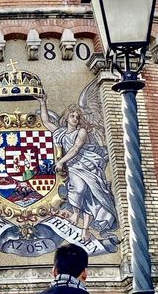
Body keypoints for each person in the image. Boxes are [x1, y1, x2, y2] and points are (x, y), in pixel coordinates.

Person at [37, 96, 117, 241]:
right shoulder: (61, 133)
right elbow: (46, 122)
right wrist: (43, 103)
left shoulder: (81, 132)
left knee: (91, 196)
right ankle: (76, 214)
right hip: (73, 166)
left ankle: (85, 228)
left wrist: (61, 161)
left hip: (87, 163)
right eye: (72, 116)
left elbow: (75, 148)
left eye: (77, 117)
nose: (75, 118)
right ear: (67, 118)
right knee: (79, 189)